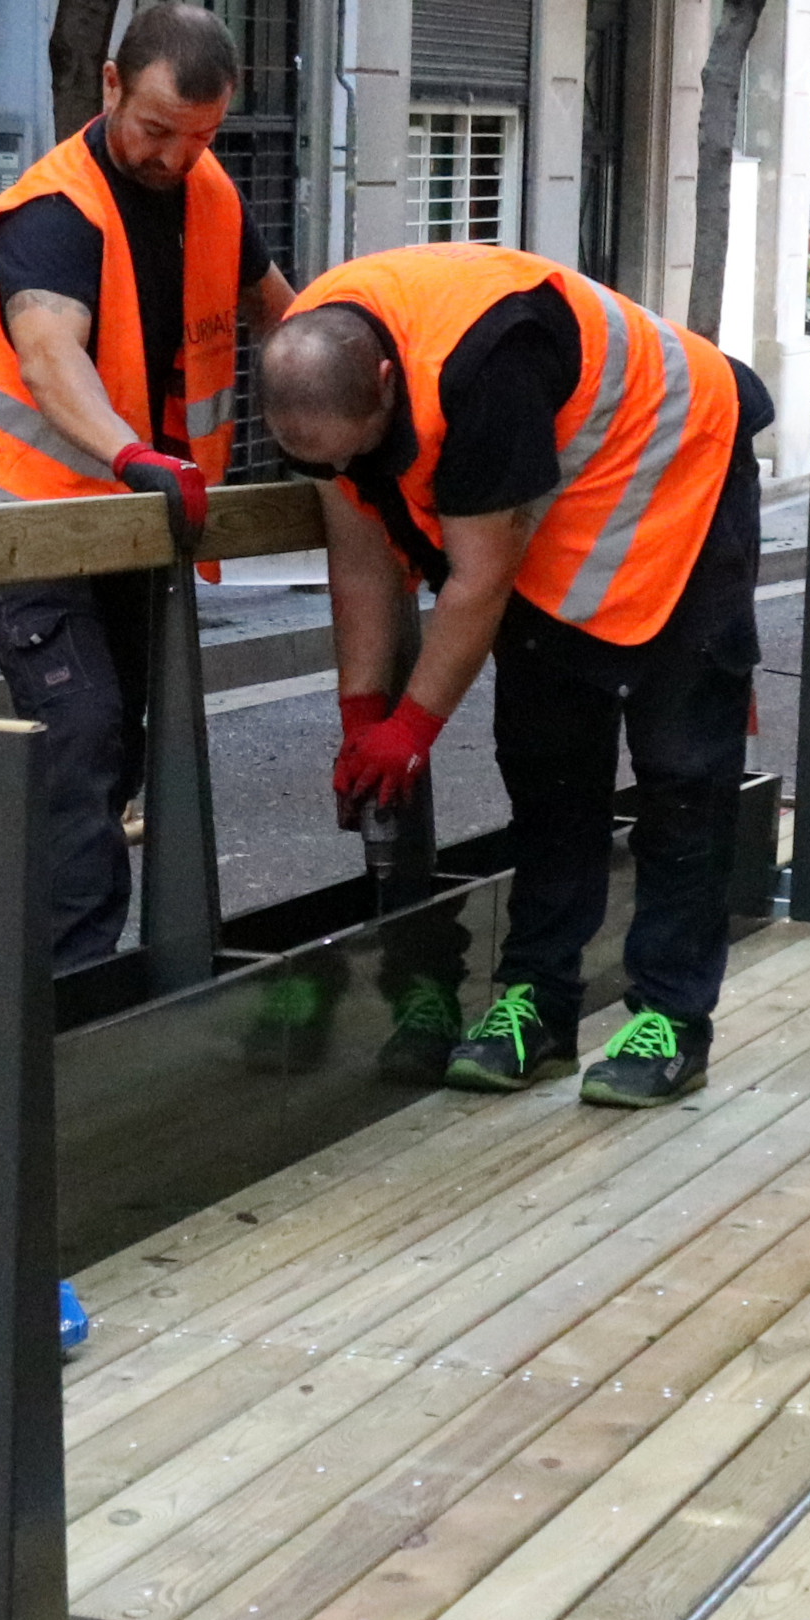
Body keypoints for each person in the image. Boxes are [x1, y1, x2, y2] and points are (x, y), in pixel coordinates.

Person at [254, 241, 772, 1109]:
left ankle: (671, 1018)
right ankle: (536, 1001)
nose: (339, 474)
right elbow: (360, 561)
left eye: (351, 455)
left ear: (385, 382)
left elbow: (478, 580)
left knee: (682, 765)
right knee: (547, 758)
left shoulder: (482, 368)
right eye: (319, 464)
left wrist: (411, 729)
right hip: (555, 501)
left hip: (678, 467)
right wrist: (361, 713)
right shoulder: (321, 371)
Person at [0, 1, 297, 987]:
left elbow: (286, 318)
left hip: (134, 526)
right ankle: (60, 1006)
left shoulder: (211, 192)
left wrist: (359, 385)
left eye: (201, 137)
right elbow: (51, 357)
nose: (176, 159)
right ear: (109, 86)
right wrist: (134, 454)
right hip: (26, 525)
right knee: (84, 734)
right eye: (155, 130)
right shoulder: (55, 210)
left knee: (100, 762)